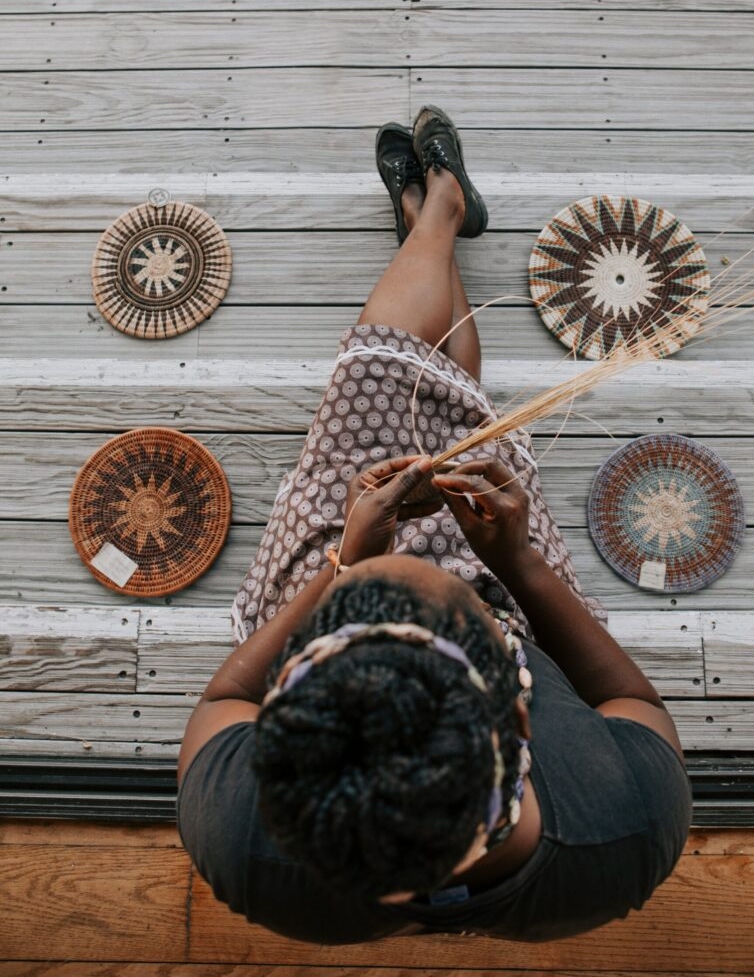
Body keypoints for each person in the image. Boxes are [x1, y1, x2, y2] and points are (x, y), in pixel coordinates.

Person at [177, 106, 693, 944]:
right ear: (522, 718)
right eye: (465, 600)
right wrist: (517, 568)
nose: (443, 566)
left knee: (386, 373)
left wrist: (347, 559)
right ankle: (441, 210)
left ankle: (434, 220)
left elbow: (227, 694)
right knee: (419, 389)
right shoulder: (627, 819)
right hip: (518, 582)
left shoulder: (240, 839)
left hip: (333, 564)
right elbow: (628, 697)